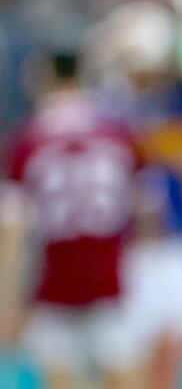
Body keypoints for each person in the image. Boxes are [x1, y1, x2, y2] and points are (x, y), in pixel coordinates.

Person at [1, 51, 144, 389]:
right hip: (109, 280)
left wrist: (7, 296)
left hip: (54, 285)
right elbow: (142, 208)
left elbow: (14, 227)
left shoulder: (28, 140)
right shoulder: (117, 131)